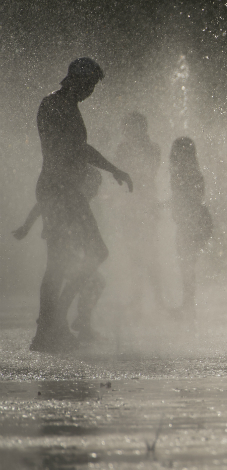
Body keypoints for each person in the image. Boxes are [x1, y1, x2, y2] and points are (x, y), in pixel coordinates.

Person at [31, 58, 133, 352]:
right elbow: (76, 148)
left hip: (61, 189)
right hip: (59, 190)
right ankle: (52, 325)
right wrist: (114, 169)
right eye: (88, 86)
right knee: (86, 254)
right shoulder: (57, 105)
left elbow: (74, 149)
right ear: (75, 79)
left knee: (59, 262)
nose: (90, 92)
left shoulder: (62, 104)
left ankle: (49, 329)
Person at [16, 168, 107, 342]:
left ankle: (81, 322)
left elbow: (42, 206)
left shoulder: (78, 202)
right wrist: (27, 227)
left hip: (69, 256)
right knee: (94, 281)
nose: (96, 190)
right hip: (64, 257)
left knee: (95, 281)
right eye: (94, 185)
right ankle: (72, 321)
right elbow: (41, 205)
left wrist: (27, 227)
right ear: (83, 183)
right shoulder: (73, 201)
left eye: (98, 185)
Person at [115, 111, 164, 316]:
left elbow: (147, 173)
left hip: (144, 204)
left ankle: (157, 301)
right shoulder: (124, 148)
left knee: (148, 254)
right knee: (135, 255)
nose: (126, 132)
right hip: (132, 206)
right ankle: (139, 301)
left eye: (129, 127)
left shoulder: (151, 148)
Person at [169, 137, 212, 321]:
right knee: (187, 265)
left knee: (186, 265)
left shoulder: (187, 172)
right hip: (193, 220)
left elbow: (193, 197)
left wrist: (176, 206)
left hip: (191, 222)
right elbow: (192, 196)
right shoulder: (190, 171)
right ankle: (188, 306)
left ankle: (188, 307)